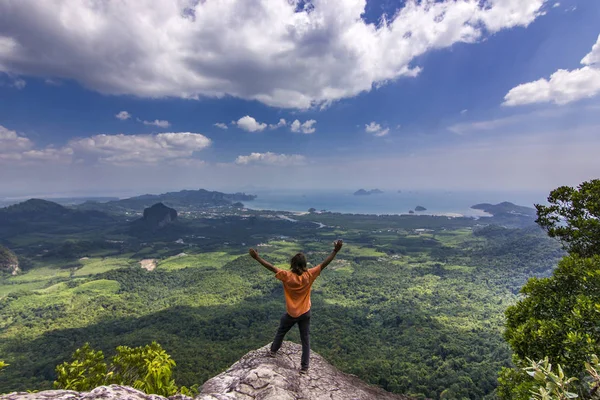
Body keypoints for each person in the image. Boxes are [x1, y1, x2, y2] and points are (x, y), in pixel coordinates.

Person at [248, 239, 343, 374]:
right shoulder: (309, 275)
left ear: (292, 264)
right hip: (305, 312)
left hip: (292, 313)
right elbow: (324, 264)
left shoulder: (287, 276)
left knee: (281, 331)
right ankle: (304, 368)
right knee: (305, 339)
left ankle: (273, 351)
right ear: (304, 265)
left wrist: (257, 258)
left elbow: (271, 267)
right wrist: (335, 251)